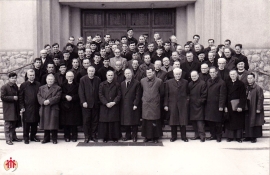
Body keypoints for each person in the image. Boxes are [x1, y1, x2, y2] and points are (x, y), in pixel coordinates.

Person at [164, 68, 189, 142]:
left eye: (179, 74)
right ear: (173, 74)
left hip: (182, 104)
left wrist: (186, 101)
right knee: (173, 121)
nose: (177, 75)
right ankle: (173, 137)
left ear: (181, 74)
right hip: (172, 103)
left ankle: (184, 137)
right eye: (176, 74)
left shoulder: (185, 82)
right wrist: (166, 105)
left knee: (183, 121)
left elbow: (188, 93)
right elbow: (166, 94)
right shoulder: (168, 82)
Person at [78, 66, 101, 143]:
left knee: (95, 121)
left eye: (92, 71)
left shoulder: (97, 79)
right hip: (86, 104)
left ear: (94, 72)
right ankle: (87, 136)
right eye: (90, 71)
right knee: (86, 121)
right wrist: (83, 101)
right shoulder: (83, 79)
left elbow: (99, 92)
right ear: (87, 71)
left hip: (95, 104)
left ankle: (93, 135)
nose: (91, 72)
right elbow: (81, 92)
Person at [37, 74, 62, 144]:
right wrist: (43, 101)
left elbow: (57, 97)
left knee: (53, 123)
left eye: (51, 79)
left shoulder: (58, 88)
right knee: (45, 123)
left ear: (54, 80)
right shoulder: (41, 88)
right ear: (46, 80)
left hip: (53, 107)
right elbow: (38, 96)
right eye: (49, 79)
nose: (50, 81)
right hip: (44, 107)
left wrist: (49, 101)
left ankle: (54, 138)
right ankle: (46, 138)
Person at [141, 68, 163, 143]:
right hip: (146, 104)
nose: (149, 74)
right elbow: (141, 91)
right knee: (146, 121)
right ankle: (147, 137)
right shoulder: (142, 81)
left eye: (150, 72)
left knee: (155, 121)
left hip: (155, 104)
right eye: (147, 73)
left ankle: (155, 137)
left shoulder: (159, 81)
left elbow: (162, 93)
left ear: (153, 72)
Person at [98, 70, 122, 142]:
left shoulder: (117, 84)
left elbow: (119, 95)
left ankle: (115, 137)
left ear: (113, 76)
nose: (110, 77)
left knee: (114, 122)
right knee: (105, 122)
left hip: (114, 105)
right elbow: (100, 95)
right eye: (109, 75)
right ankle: (105, 137)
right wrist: (106, 103)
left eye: (111, 75)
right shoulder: (102, 84)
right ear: (106, 76)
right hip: (105, 106)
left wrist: (114, 102)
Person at [205, 67, 226, 142]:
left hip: (217, 105)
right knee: (210, 122)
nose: (212, 74)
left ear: (216, 73)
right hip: (209, 104)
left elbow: (222, 95)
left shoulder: (221, 82)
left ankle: (219, 136)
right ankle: (212, 135)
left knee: (218, 122)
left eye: (213, 72)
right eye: (210, 72)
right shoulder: (208, 81)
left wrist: (221, 106)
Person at [19, 69, 41, 144]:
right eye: (30, 75)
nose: (32, 77)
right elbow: (21, 97)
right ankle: (26, 138)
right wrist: (22, 106)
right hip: (27, 107)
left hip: (36, 107)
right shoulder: (23, 85)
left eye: (33, 75)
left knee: (35, 123)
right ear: (27, 76)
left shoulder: (38, 84)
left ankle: (33, 136)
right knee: (26, 124)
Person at [225, 70, 246, 143]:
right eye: (231, 74)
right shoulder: (227, 83)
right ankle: (230, 137)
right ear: (229, 75)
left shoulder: (241, 84)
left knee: (238, 121)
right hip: (229, 105)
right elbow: (224, 95)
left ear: (236, 75)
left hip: (237, 105)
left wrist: (240, 106)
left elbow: (243, 96)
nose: (232, 75)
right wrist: (225, 106)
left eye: (234, 74)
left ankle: (238, 137)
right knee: (230, 121)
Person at [120, 69, 142, 142]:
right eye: (126, 73)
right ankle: (127, 135)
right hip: (125, 105)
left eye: (129, 73)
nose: (127, 75)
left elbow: (138, 95)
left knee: (134, 122)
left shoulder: (136, 83)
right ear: (124, 74)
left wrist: (135, 104)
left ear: (131, 74)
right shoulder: (122, 83)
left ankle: (134, 136)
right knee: (126, 122)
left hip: (133, 105)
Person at [60, 71, 82, 142]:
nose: (70, 78)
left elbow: (80, 94)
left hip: (74, 105)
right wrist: (65, 96)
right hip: (65, 106)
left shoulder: (77, 85)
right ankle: (67, 136)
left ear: (73, 77)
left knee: (74, 122)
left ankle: (74, 136)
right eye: (68, 76)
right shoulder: (62, 85)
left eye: (71, 76)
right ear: (66, 77)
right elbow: (60, 94)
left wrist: (72, 97)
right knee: (66, 122)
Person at [1, 72, 22, 145]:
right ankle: (8, 139)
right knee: (8, 125)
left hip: (15, 108)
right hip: (8, 108)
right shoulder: (4, 87)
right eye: (12, 78)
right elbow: (2, 97)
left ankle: (13, 137)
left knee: (13, 124)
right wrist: (12, 98)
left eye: (15, 78)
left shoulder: (15, 86)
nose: (14, 79)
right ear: (9, 78)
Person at [244, 73, 265, 143]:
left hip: (254, 107)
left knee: (254, 122)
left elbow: (260, 99)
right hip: (247, 106)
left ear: (254, 79)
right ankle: (248, 136)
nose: (249, 80)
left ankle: (253, 137)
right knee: (247, 122)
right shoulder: (246, 87)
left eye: (251, 78)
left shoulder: (258, 88)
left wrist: (258, 108)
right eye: (248, 78)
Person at [188, 71, 207, 142]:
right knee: (194, 121)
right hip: (192, 105)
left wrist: (199, 102)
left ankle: (202, 136)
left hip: (199, 105)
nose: (193, 77)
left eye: (195, 76)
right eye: (192, 76)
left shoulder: (202, 83)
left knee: (200, 122)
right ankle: (196, 135)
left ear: (198, 76)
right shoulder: (190, 84)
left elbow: (204, 95)